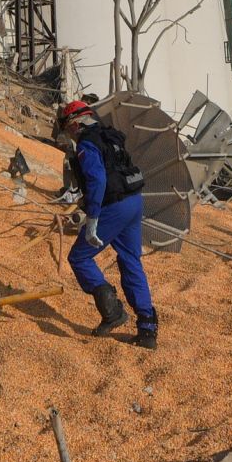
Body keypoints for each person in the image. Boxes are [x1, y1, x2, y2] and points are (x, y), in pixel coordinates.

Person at [58, 99, 157, 350]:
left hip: (115, 207)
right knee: (130, 260)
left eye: (67, 128)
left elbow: (97, 180)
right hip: (134, 201)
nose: (68, 133)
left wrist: (92, 218)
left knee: (79, 257)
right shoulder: (110, 135)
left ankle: (113, 311)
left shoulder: (86, 143)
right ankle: (147, 327)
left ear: (75, 123)